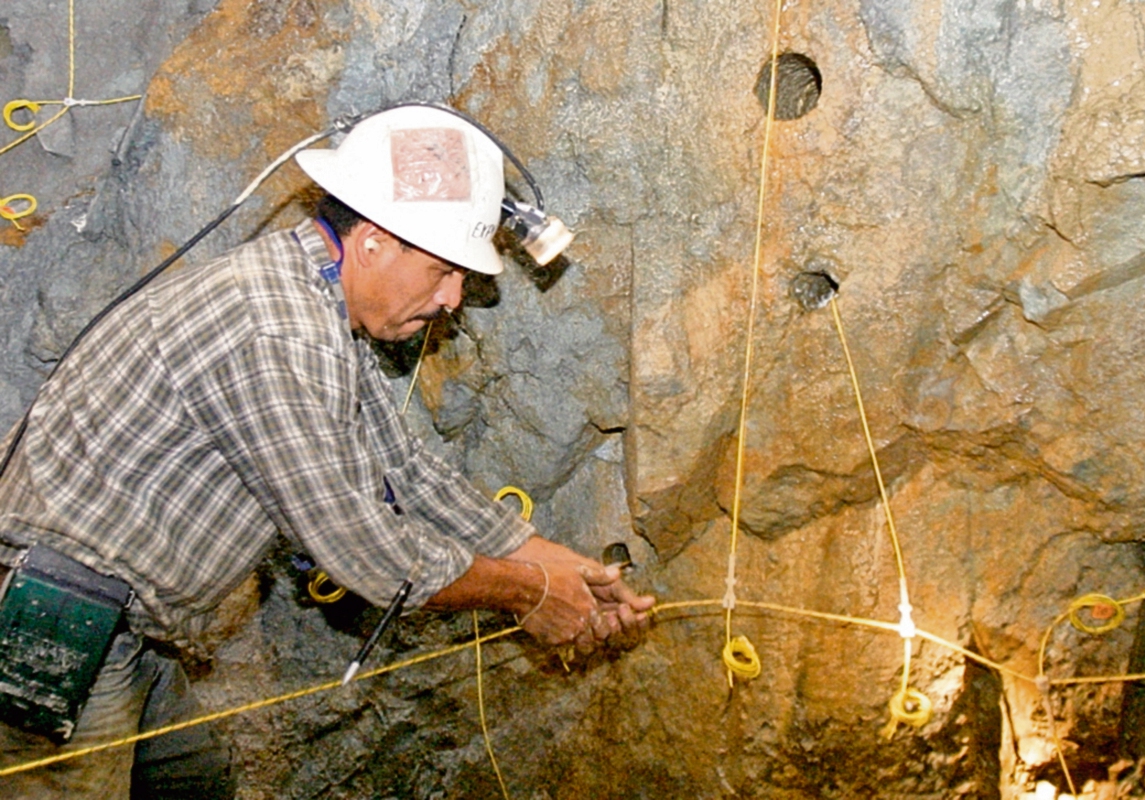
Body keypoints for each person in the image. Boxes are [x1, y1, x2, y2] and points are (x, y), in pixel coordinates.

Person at [0, 105, 655, 798]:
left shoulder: (316, 300)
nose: (454, 299)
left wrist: (557, 564)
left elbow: (405, 468)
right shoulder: (276, 328)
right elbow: (369, 556)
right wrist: (531, 594)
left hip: (124, 627)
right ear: (373, 241)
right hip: (55, 621)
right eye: (442, 271)